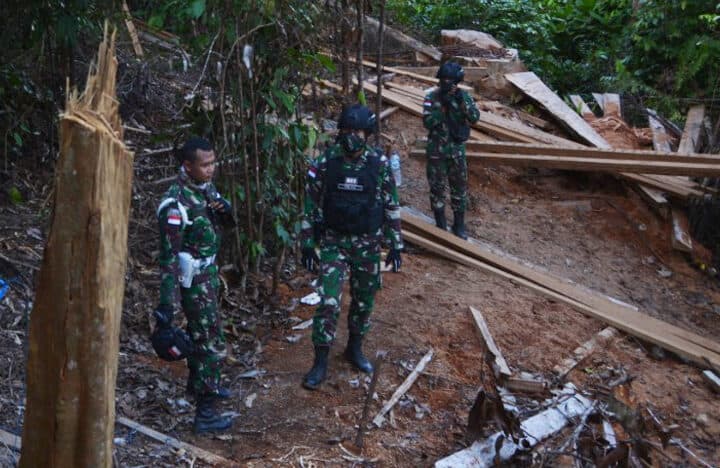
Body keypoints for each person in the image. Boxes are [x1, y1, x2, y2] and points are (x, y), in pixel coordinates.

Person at [300, 104, 403, 390]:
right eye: (346, 130)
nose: (351, 136)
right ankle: (320, 360)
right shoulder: (325, 162)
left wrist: (395, 245)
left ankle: (355, 349)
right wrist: (307, 244)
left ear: (367, 133)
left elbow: (391, 204)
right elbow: (310, 205)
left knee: (364, 299)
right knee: (328, 301)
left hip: (368, 244)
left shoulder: (378, 164)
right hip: (334, 241)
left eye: (356, 131)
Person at [155, 137, 235, 434]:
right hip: (193, 281)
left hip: (208, 275)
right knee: (208, 343)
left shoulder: (204, 189)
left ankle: (203, 384)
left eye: (213, 163)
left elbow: (220, 225)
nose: (211, 169)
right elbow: (169, 259)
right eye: (205, 164)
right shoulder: (176, 204)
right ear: (187, 166)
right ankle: (206, 413)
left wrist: (224, 211)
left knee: (207, 334)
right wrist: (167, 306)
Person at [423, 61, 480, 239]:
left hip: (456, 152)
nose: (447, 83)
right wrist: (443, 108)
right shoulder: (431, 97)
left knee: (459, 189)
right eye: (444, 79)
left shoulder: (464, 97)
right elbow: (427, 122)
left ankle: (459, 225)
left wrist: (460, 101)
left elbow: (474, 118)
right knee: (437, 188)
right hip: (436, 151)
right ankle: (440, 224)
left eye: (450, 80)